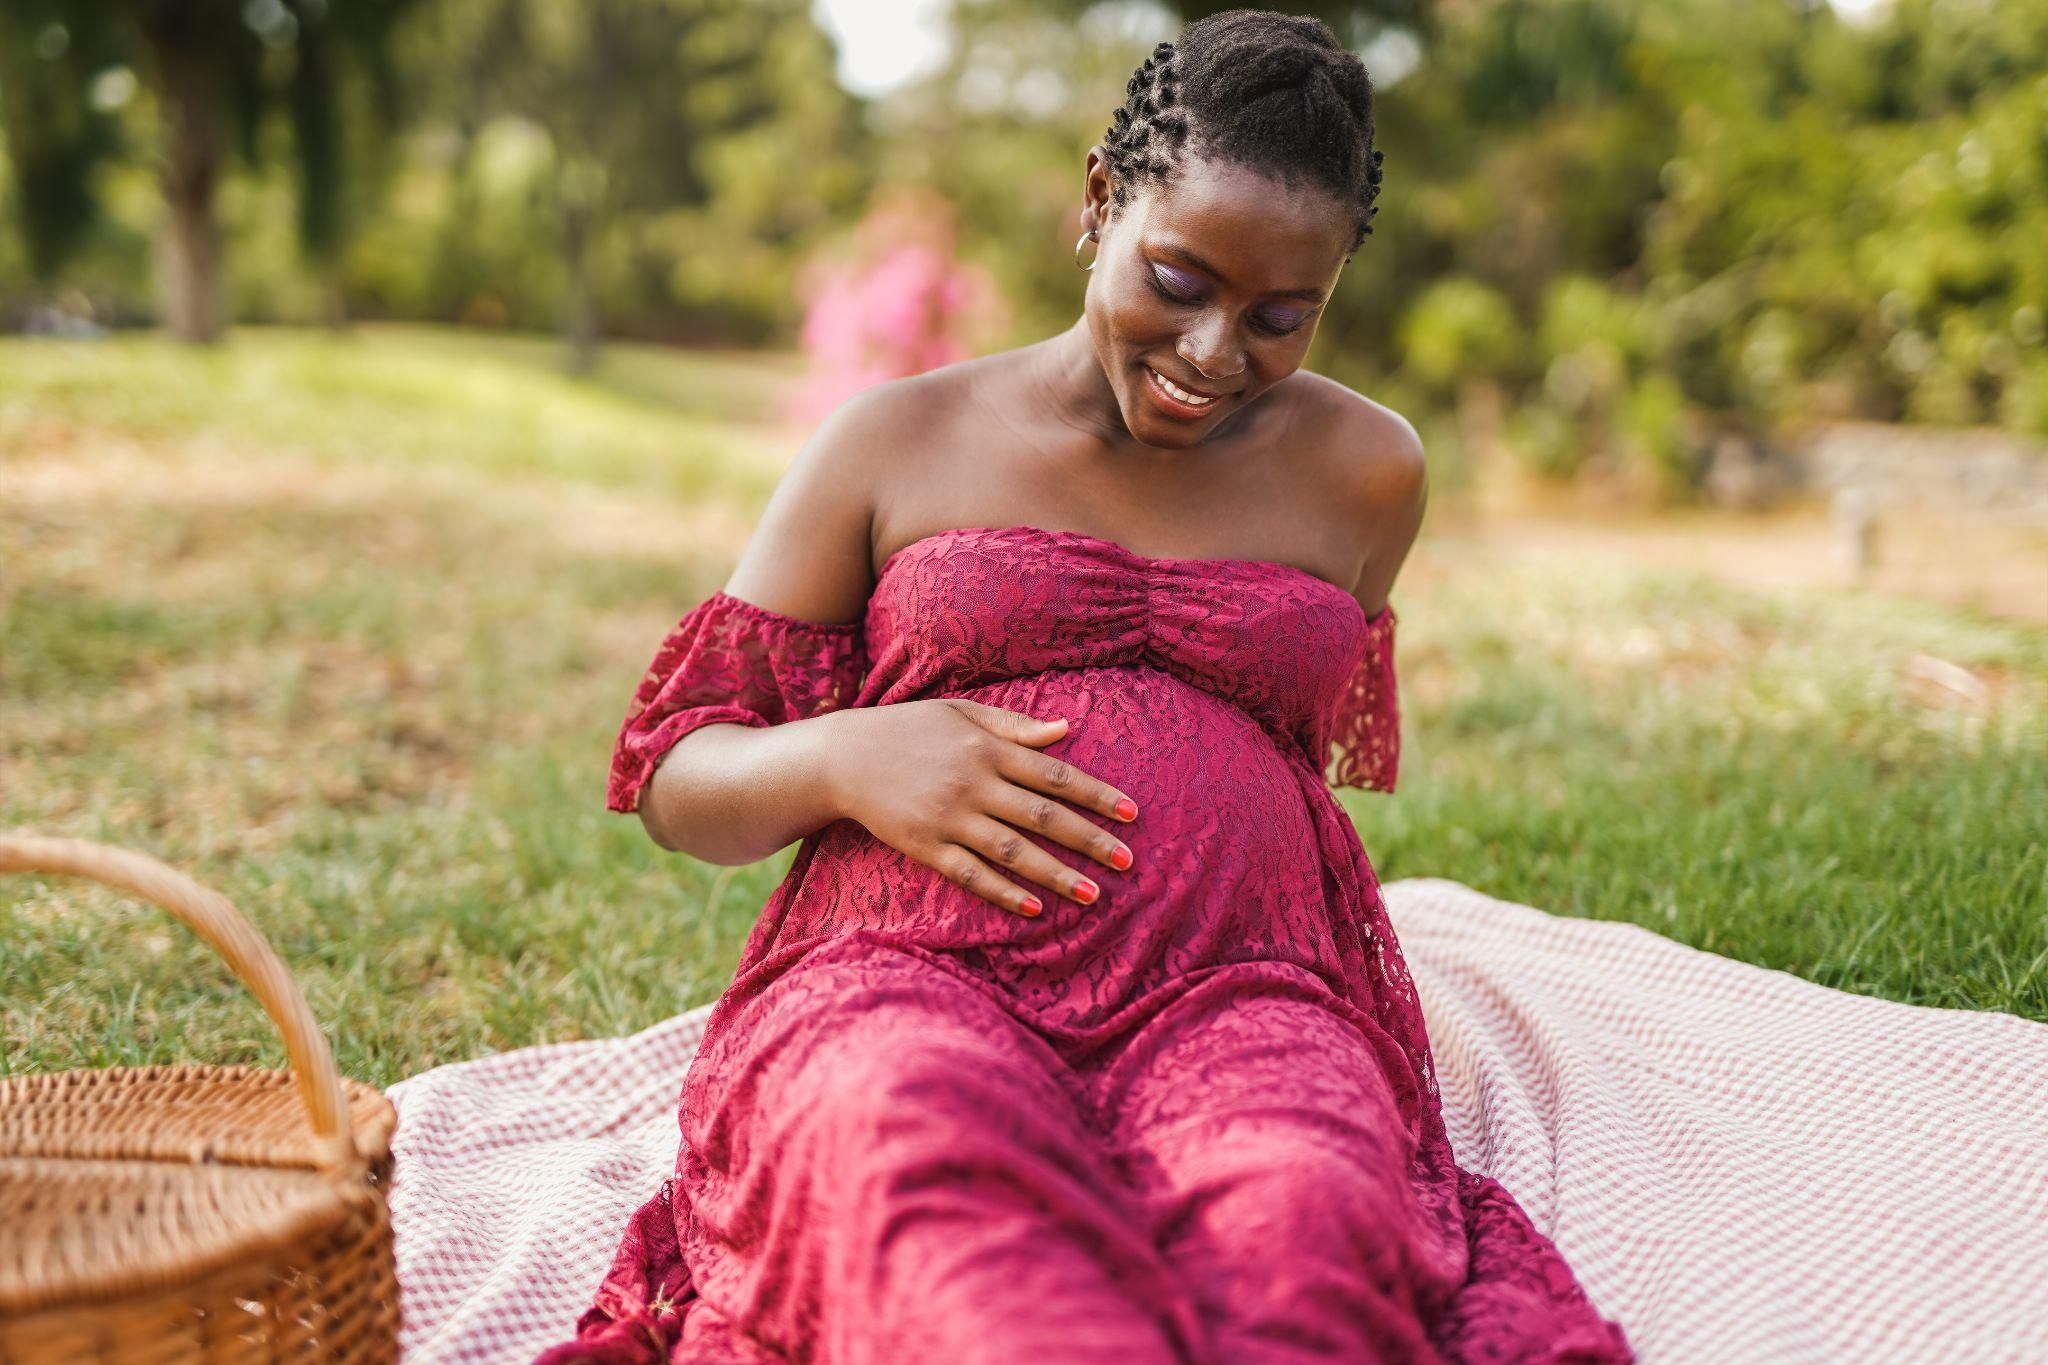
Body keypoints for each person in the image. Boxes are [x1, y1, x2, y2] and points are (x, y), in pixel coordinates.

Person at [536, 11, 1633, 1363]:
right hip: (909, 974)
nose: (1216, 349)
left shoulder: (1370, 471)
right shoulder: (896, 440)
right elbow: (677, 778)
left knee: (1307, 1236)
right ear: (1099, 201)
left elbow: (1288, 750)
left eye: (1282, 314)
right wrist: (846, 757)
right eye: (1179, 277)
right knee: (934, 1218)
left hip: (1246, 990)